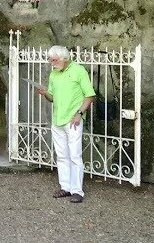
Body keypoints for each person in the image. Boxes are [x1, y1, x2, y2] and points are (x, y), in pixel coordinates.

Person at [37, 45, 95, 203]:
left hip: (73, 120)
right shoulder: (54, 74)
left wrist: (79, 113)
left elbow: (89, 95)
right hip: (57, 120)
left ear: (64, 58)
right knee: (62, 155)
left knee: (75, 155)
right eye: (50, 60)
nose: (51, 63)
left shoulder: (79, 70)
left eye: (54, 60)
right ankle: (65, 187)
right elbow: (53, 97)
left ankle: (77, 191)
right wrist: (45, 93)